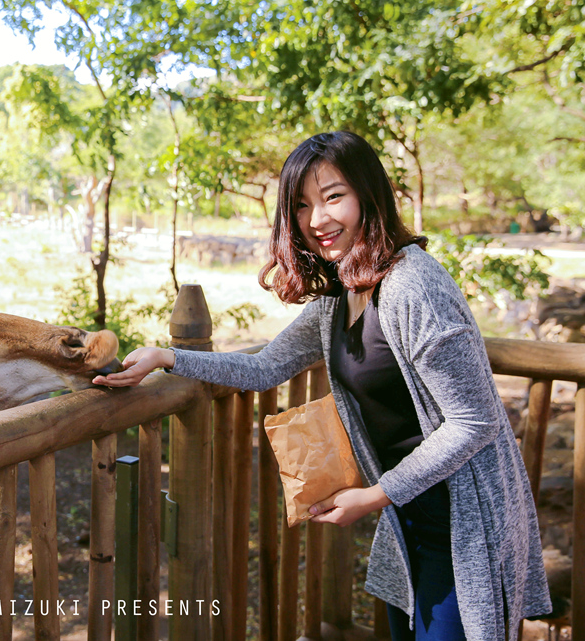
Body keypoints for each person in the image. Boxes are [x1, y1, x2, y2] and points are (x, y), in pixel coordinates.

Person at [93, 131, 551, 641]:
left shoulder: (413, 285)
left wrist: (374, 495)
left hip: (462, 521)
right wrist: (168, 357)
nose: (317, 220)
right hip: (407, 516)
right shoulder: (341, 294)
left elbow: (474, 420)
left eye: (333, 197)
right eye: (302, 205)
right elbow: (265, 368)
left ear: (369, 195)